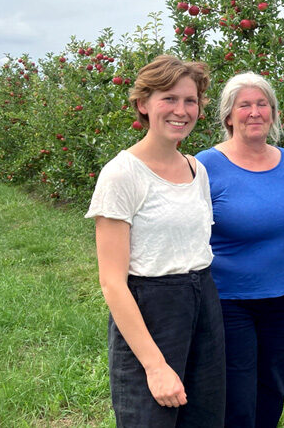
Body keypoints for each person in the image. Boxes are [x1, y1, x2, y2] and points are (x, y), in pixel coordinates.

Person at [86, 55, 225, 427]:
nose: (181, 110)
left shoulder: (199, 170)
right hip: (151, 309)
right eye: (169, 98)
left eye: (190, 100)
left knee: (205, 418)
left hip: (204, 304)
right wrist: (155, 365)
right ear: (143, 104)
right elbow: (112, 282)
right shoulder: (121, 175)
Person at [195, 72, 284, 427]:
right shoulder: (205, 165)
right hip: (229, 300)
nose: (254, 112)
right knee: (238, 399)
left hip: (283, 299)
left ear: (273, 113)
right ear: (228, 116)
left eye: (262, 104)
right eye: (244, 105)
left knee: (272, 391)